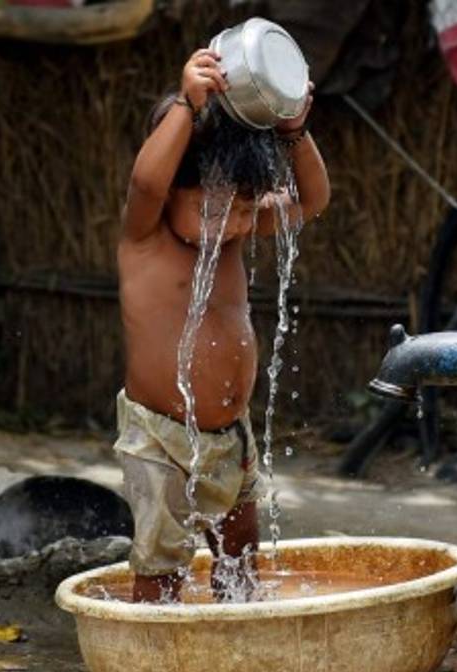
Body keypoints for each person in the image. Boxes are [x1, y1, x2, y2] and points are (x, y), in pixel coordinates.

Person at [116, 47, 330, 603]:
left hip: (232, 436)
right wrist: (188, 105)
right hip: (161, 437)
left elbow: (313, 198)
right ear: (173, 198)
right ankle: (149, 666)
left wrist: (293, 133)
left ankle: (235, 657)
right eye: (215, 208)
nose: (232, 224)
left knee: (241, 557)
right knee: (160, 568)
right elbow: (145, 184)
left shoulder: (235, 231)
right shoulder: (146, 236)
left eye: (244, 207)